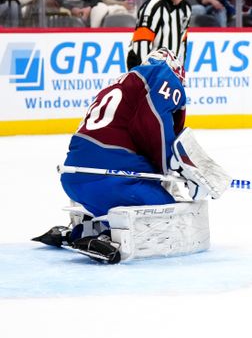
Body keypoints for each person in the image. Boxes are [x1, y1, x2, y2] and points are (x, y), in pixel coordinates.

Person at [33, 48, 221, 263]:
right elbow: (157, 126)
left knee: (122, 202)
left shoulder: (119, 84)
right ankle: (106, 237)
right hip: (111, 181)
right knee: (167, 209)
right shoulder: (161, 75)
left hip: (73, 179)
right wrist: (176, 168)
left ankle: (82, 230)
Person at [127, 0, 193, 69]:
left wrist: (180, 68)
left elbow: (182, 42)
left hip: (168, 68)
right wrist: (145, 72)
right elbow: (141, 42)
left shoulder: (186, 9)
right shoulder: (153, 6)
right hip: (146, 67)